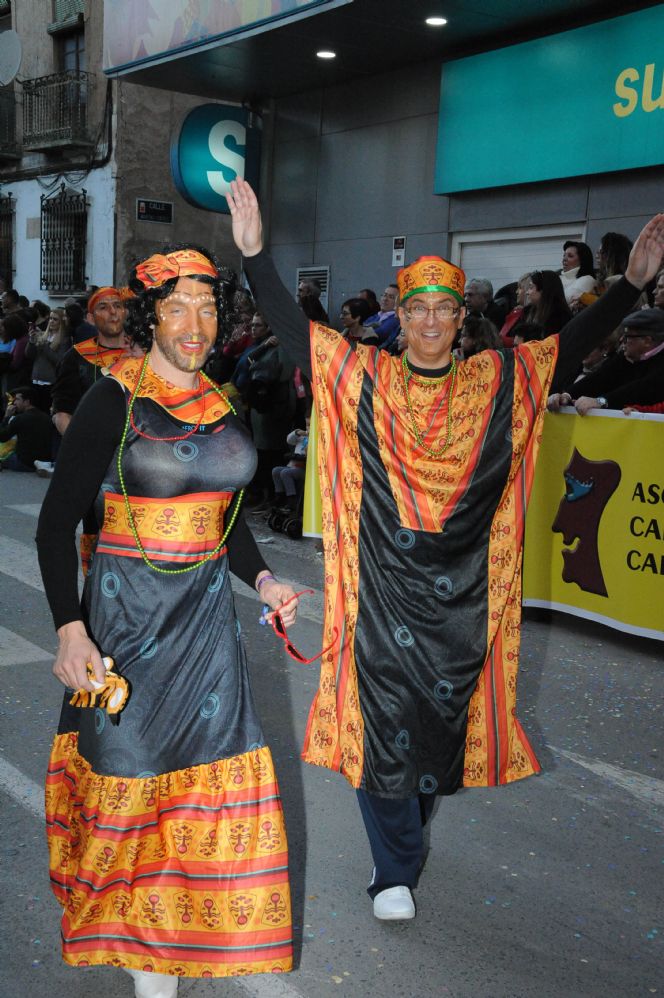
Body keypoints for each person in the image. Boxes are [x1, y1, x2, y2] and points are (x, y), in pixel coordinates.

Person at [226, 178, 664, 922]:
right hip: (379, 589)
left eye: (444, 309)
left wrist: (629, 288)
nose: (430, 321)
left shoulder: (499, 381)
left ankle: (403, 841)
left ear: (462, 320)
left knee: (436, 736)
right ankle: (393, 866)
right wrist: (256, 258)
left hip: (465, 598)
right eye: (418, 307)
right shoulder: (365, 375)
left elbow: (568, 350)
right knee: (377, 719)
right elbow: (299, 338)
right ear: (404, 317)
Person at [36, 245, 298, 996]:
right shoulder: (111, 398)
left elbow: (230, 518)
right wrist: (69, 628)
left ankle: (170, 951)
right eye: (178, 308)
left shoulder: (222, 403)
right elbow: (56, 527)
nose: (195, 323)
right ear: (152, 317)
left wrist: (266, 579)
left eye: (209, 307)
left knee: (197, 791)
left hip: (207, 631)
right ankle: (143, 958)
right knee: (134, 783)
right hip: (125, 632)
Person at [548, 307, 664, 414]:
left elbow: (641, 389)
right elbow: (600, 377)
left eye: (628, 336)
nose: (621, 340)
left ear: (647, 341)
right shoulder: (628, 356)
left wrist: (602, 401)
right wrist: (566, 395)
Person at [0, 385, 52, 471]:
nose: (14, 403)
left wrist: (6, 417)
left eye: (17, 399)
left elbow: (2, 437)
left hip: (23, 463)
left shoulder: (20, 418)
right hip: (43, 462)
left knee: (5, 455)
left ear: (27, 402)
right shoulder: (47, 418)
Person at [524, 269, 572, 335]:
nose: (527, 292)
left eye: (531, 287)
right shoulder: (528, 311)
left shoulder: (560, 317)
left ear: (543, 290)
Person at [559, 240, 596, 306]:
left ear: (582, 260)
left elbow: (564, 301)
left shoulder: (588, 279)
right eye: (564, 255)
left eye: (570, 256)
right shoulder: (559, 278)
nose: (564, 259)